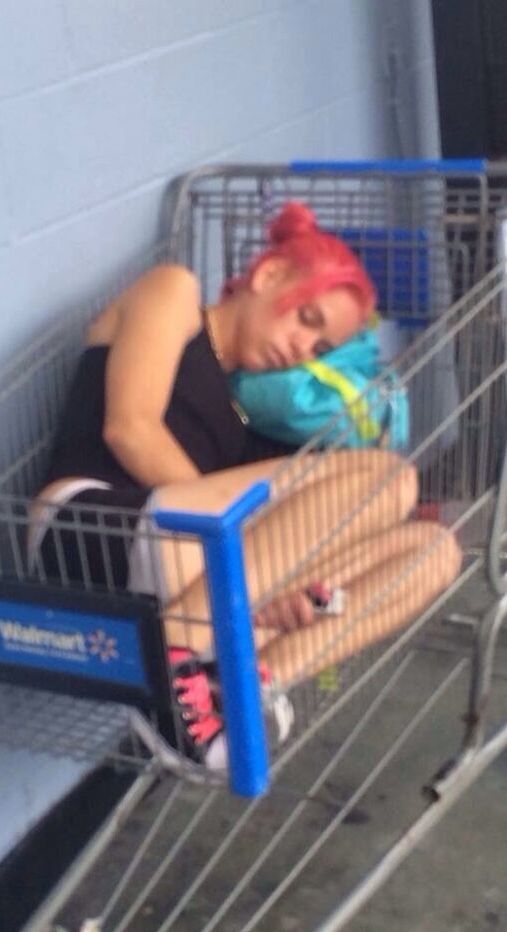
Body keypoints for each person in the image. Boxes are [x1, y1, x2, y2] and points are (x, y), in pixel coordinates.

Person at [29, 202, 462, 772]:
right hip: (91, 523)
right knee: (388, 476)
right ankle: (178, 645)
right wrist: (241, 546)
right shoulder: (173, 294)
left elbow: (273, 523)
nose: (300, 349)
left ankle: (243, 683)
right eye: (306, 319)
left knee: (435, 552)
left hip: (180, 561)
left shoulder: (249, 413)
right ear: (269, 276)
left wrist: (278, 574)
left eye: (317, 350)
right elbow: (129, 428)